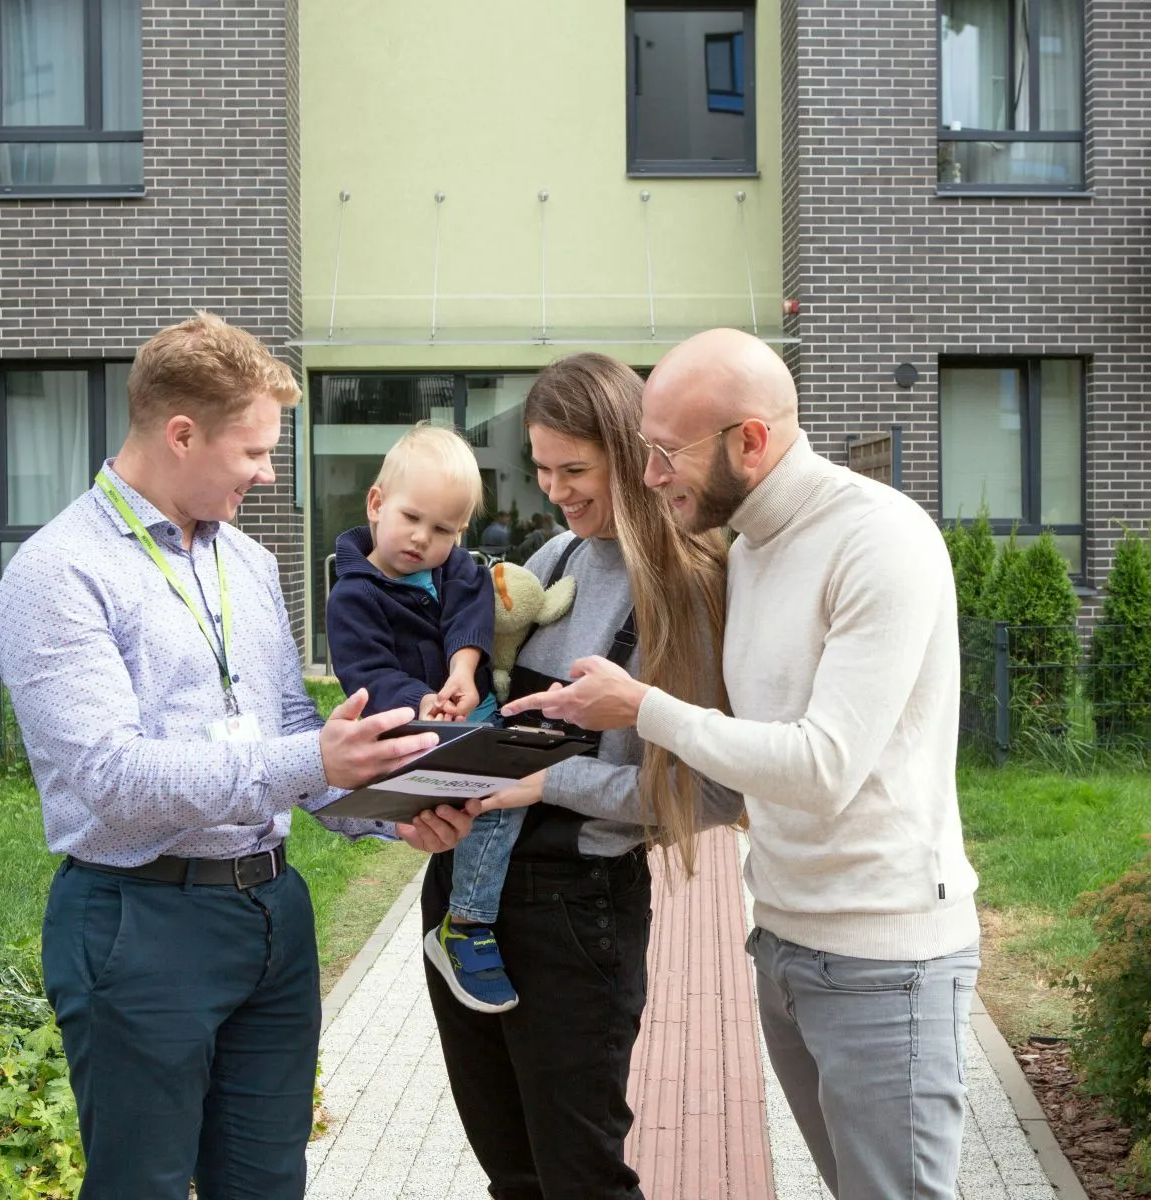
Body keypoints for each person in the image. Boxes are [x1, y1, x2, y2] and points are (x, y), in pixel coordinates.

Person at [0, 313, 472, 1200]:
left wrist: (393, 813)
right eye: (253, 451)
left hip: (273, 914)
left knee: (266, 1183)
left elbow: (287, 726)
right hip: (139, 920)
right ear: (181, 434)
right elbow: (111, 779)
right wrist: (315, 761)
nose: (268, 472)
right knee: (141, 1186)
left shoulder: (246, 559)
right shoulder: (57, 574)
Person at [502, 327, 981, 1200]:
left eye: (665, 453)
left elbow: (822, 767)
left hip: (886, 958)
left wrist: (643, 708)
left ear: (749, 441)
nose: (648, 476)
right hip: (784, 939)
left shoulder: (880, 540)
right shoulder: (751, 547)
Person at [425, 352, 744, 1199]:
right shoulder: (557, 559)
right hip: (463, 899)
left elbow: (713, 793)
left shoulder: (687, 588)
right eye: (541, 469)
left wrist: (547, 785)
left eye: (574, 470)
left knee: (580, 1178)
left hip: (572, 912)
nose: (554, 491)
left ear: (632, 456)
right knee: (513, 1174)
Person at [327, 423, 524, 1013]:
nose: (423, 539)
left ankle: (470, 908)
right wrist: (421, 702)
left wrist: (463, 669)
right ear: (376, 503)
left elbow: (473, 604)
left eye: (443, 530)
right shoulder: (354, 596)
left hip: (479, 711)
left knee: (512, 791)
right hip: (421, 734)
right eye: (411, 518)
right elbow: (368, 673)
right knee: (492, 807)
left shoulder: (453, 567)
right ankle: (465, 924)